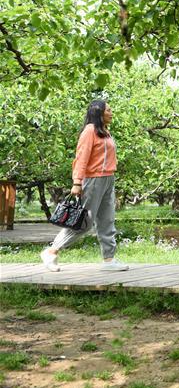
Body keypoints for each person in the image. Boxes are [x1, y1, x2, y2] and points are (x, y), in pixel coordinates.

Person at [40, 100, 128, 272]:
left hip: (108, 179)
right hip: (93, 180)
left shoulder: (105, 132)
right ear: (99, 112)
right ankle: (51, 251)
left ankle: (109, 259)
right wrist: (77, 182)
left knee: (107, 220)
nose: (111, 113)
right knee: (84, 222)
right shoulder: (89, 131)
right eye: (108, 110)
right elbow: (81, 158)